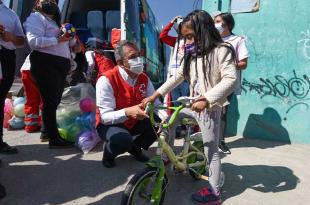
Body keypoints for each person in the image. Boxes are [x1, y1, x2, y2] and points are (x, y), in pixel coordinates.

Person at [143, 10, 237, 204]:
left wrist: (207, 99)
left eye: (189, 37)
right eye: (184, 38)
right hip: (191, 104)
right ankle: (168, 157)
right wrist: (154, 95)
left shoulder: (222, 50)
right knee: (168, 123)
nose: (186, 42)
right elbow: (177, 77)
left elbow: (231, 80)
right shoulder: (192, 55)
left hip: (210, 109)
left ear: (203, 31)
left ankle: (214, 192)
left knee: (211, 150)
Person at [96, 40, 167, 168]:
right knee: (122, 140)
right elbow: (104, 117)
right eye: (133, 57)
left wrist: (165, 118)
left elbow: (155, 102)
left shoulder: (143, 78)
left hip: (135, 120)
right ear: (120, 63)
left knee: (159, 123)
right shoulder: (106, 80)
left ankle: (135, 147)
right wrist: (128, 112)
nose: (139, 60)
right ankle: (109, 152)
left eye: (139, 55)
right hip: (110, 124)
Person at [24, 0, 73, 148]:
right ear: (38, 2)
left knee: (54, 100)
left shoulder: (55, 21)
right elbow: (33, 41)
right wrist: (57, 39)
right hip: (46, 63)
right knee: (51, 101)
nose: (51, 2)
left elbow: (64, 44)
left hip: (58, 64)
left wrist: (68, 37)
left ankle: (47, 131)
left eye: (54, 0)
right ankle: (53, 138)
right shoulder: (36, 18)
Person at [214, 12, 249, 154]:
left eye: (217, 21)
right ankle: (207, 140)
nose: (214, 24)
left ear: (226, 24)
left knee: (222, 112)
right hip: (210, 82)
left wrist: (227, 65)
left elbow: (243, 64)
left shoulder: (237, 40)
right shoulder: (212, 40)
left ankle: (220, 142)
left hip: (227, 83)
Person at [0, 0, 25, 154]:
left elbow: (21, 41)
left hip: (6, 57)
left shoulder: (10, 14)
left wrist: (10, 37)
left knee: (0, 98)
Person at [160, 16, 189, 105]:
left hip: (185, 77)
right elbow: (162, 36)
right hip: (174, 75)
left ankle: (185, 117)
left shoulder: (192, 40)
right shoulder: (175, 41)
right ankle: (179, 118)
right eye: (180, 27)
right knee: (176, 102)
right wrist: (172, 22)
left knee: (185, 101)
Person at [21, 55, 42, 133]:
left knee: (31, 99)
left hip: (26, 69)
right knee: (45, 99)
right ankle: (44, 125)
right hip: (42, 69)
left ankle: (30, 125)